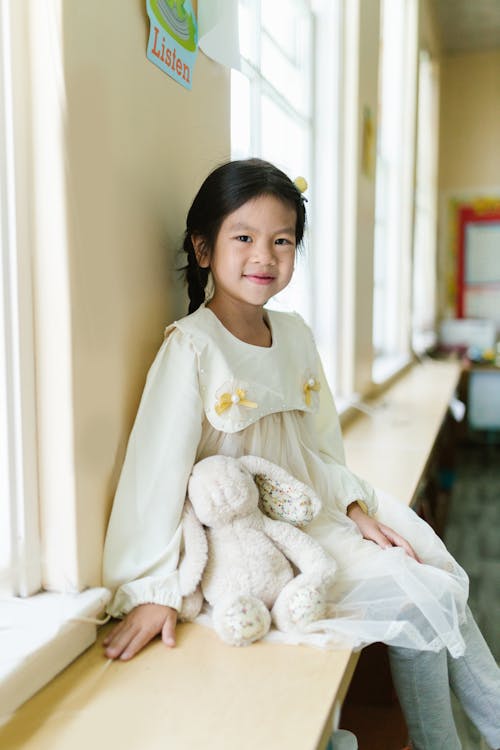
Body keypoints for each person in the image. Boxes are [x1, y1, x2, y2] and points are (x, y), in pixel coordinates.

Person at [102, 158, 500, 750]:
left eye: (282, 241)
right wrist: (154, 592)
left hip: (312, 513)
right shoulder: (191, 348)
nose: (265, 256)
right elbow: (151, 479)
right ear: (204, 248)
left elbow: (319, 449)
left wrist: (359, 510)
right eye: (244, 238)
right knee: (425, 602)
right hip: (241, 542)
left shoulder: (295, 335)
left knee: (434, 583)